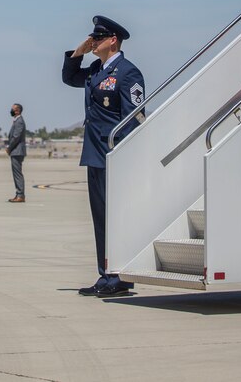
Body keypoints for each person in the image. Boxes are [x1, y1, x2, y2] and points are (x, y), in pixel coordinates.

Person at [62, 15, 145, 298]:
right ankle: (106, 274)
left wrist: (123, 154)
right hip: (95, 154)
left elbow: (132, 118)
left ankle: (119, 276)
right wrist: (78, 53)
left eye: (98, 39)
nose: (93, 42)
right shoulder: (96, 70)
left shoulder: (127, 72)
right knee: (101, 218)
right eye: (92, 38)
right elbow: (69, 77)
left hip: (114, 155)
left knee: (115, 217)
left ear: (113, 40)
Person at [6, 103, 27, 203]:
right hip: (16, 151)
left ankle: (20, 195)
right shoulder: (16, 121)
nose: (11, 110)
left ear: (17, 111)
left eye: (12, 109)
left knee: (18, 174)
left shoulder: (19, 121)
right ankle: (18, 194)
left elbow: (16, 137)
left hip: (17, 151)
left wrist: (9, 148)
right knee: (16, 174)